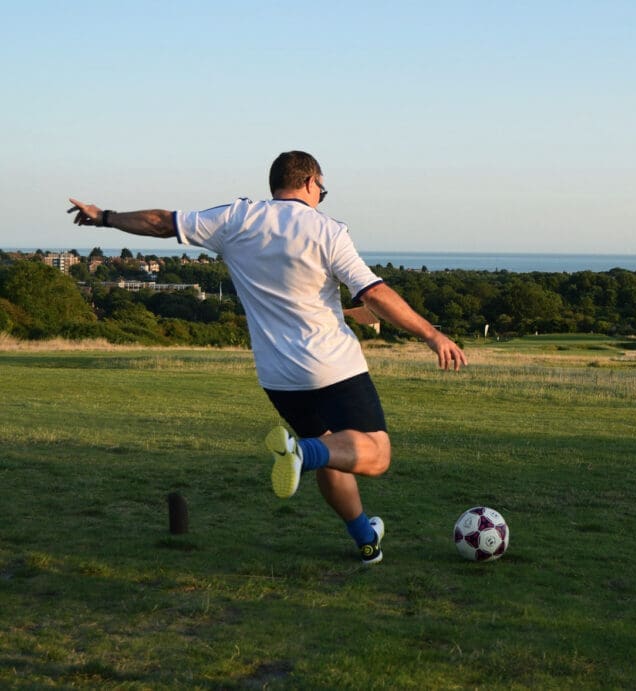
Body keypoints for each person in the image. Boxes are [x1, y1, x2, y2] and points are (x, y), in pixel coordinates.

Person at [68, 151, 467, 565]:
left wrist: (105, 216)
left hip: (279, 378)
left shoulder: (236, 219)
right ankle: (302, 454)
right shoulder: (327, 230)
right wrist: (432, 334)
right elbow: (375, 293)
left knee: (334, 454)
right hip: (334, 367)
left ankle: (366, 539)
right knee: (374, 455)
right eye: (322, 189)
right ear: (311, 181)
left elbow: (161, 222)